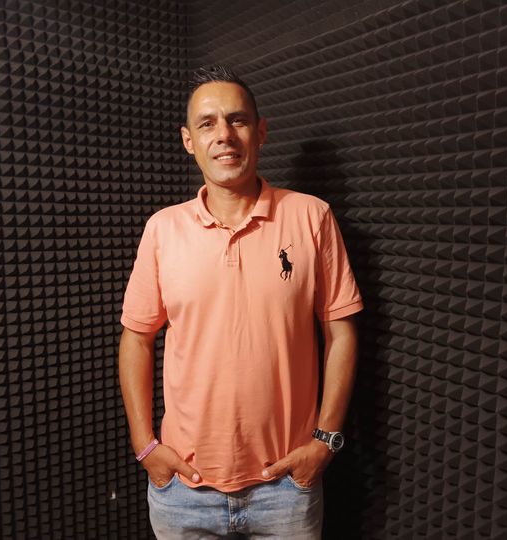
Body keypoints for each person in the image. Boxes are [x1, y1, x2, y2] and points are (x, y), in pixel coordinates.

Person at [118, 65, 363, 539]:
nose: (224, 135)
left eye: (238, 120)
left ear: (261, 131)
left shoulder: (312, 217)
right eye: (207, 123)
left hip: (287, 488)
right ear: (189, 140)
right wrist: (145, 445)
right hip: (183, 489)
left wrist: (325, 441)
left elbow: (341, 331)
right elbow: (136, 339)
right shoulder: (163, 229)